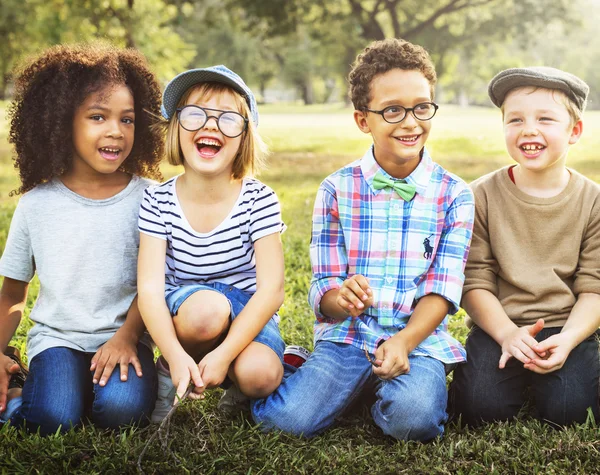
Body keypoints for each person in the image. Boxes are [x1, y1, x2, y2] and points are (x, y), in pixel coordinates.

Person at [251, 38, 475, 441]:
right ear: (362, 120)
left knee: (415, 421)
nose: (410, 122)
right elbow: (323, 289)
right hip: (349, 337)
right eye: (393, 110)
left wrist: (405, 342)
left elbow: (444, 288)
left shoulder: (454, 194)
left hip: (416, 340)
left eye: (421, 107)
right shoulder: (336, 189)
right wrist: (343, 297)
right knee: (285, 421)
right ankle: (301, 369)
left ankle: (371, 396)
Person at [0, 43, 164, 435]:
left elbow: (154, 284)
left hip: (126, 336)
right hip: (58, 340)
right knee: (55, 418)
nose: (115, 131)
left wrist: (127, 337)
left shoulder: (151, 198)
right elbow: (13, 294)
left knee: (122, 414)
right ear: (60, 121)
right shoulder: (36, 205)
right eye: (97, 116)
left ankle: (86, 391)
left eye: (127, 120)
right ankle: (26, 388)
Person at [449, 67, 600, 427]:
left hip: (567, 325)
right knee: (479, 410)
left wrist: (568, 340)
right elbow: (474, 281)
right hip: (500, 324)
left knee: (571, 412)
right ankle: (514, 377)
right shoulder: (479, 195)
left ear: (574, 130)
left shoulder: (593, 200)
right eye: (515, 119)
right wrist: (506, 334)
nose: (528, 129)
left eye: (545, 119)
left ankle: (555, 378)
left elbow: (594, 287)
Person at [137, 65, 286, 422]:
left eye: (228, 119)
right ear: (176, 127)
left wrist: (224, 355)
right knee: (208, 311)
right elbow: (150, 290)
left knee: (261, 375)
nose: (210, 126)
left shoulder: (259, 199)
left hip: (246, 310)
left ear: (244, 135)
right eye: (194, 114)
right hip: (189, 312)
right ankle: (171, 372)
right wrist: (172, 354)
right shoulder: (158, 200)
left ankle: (231, 377)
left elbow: (272, 290)